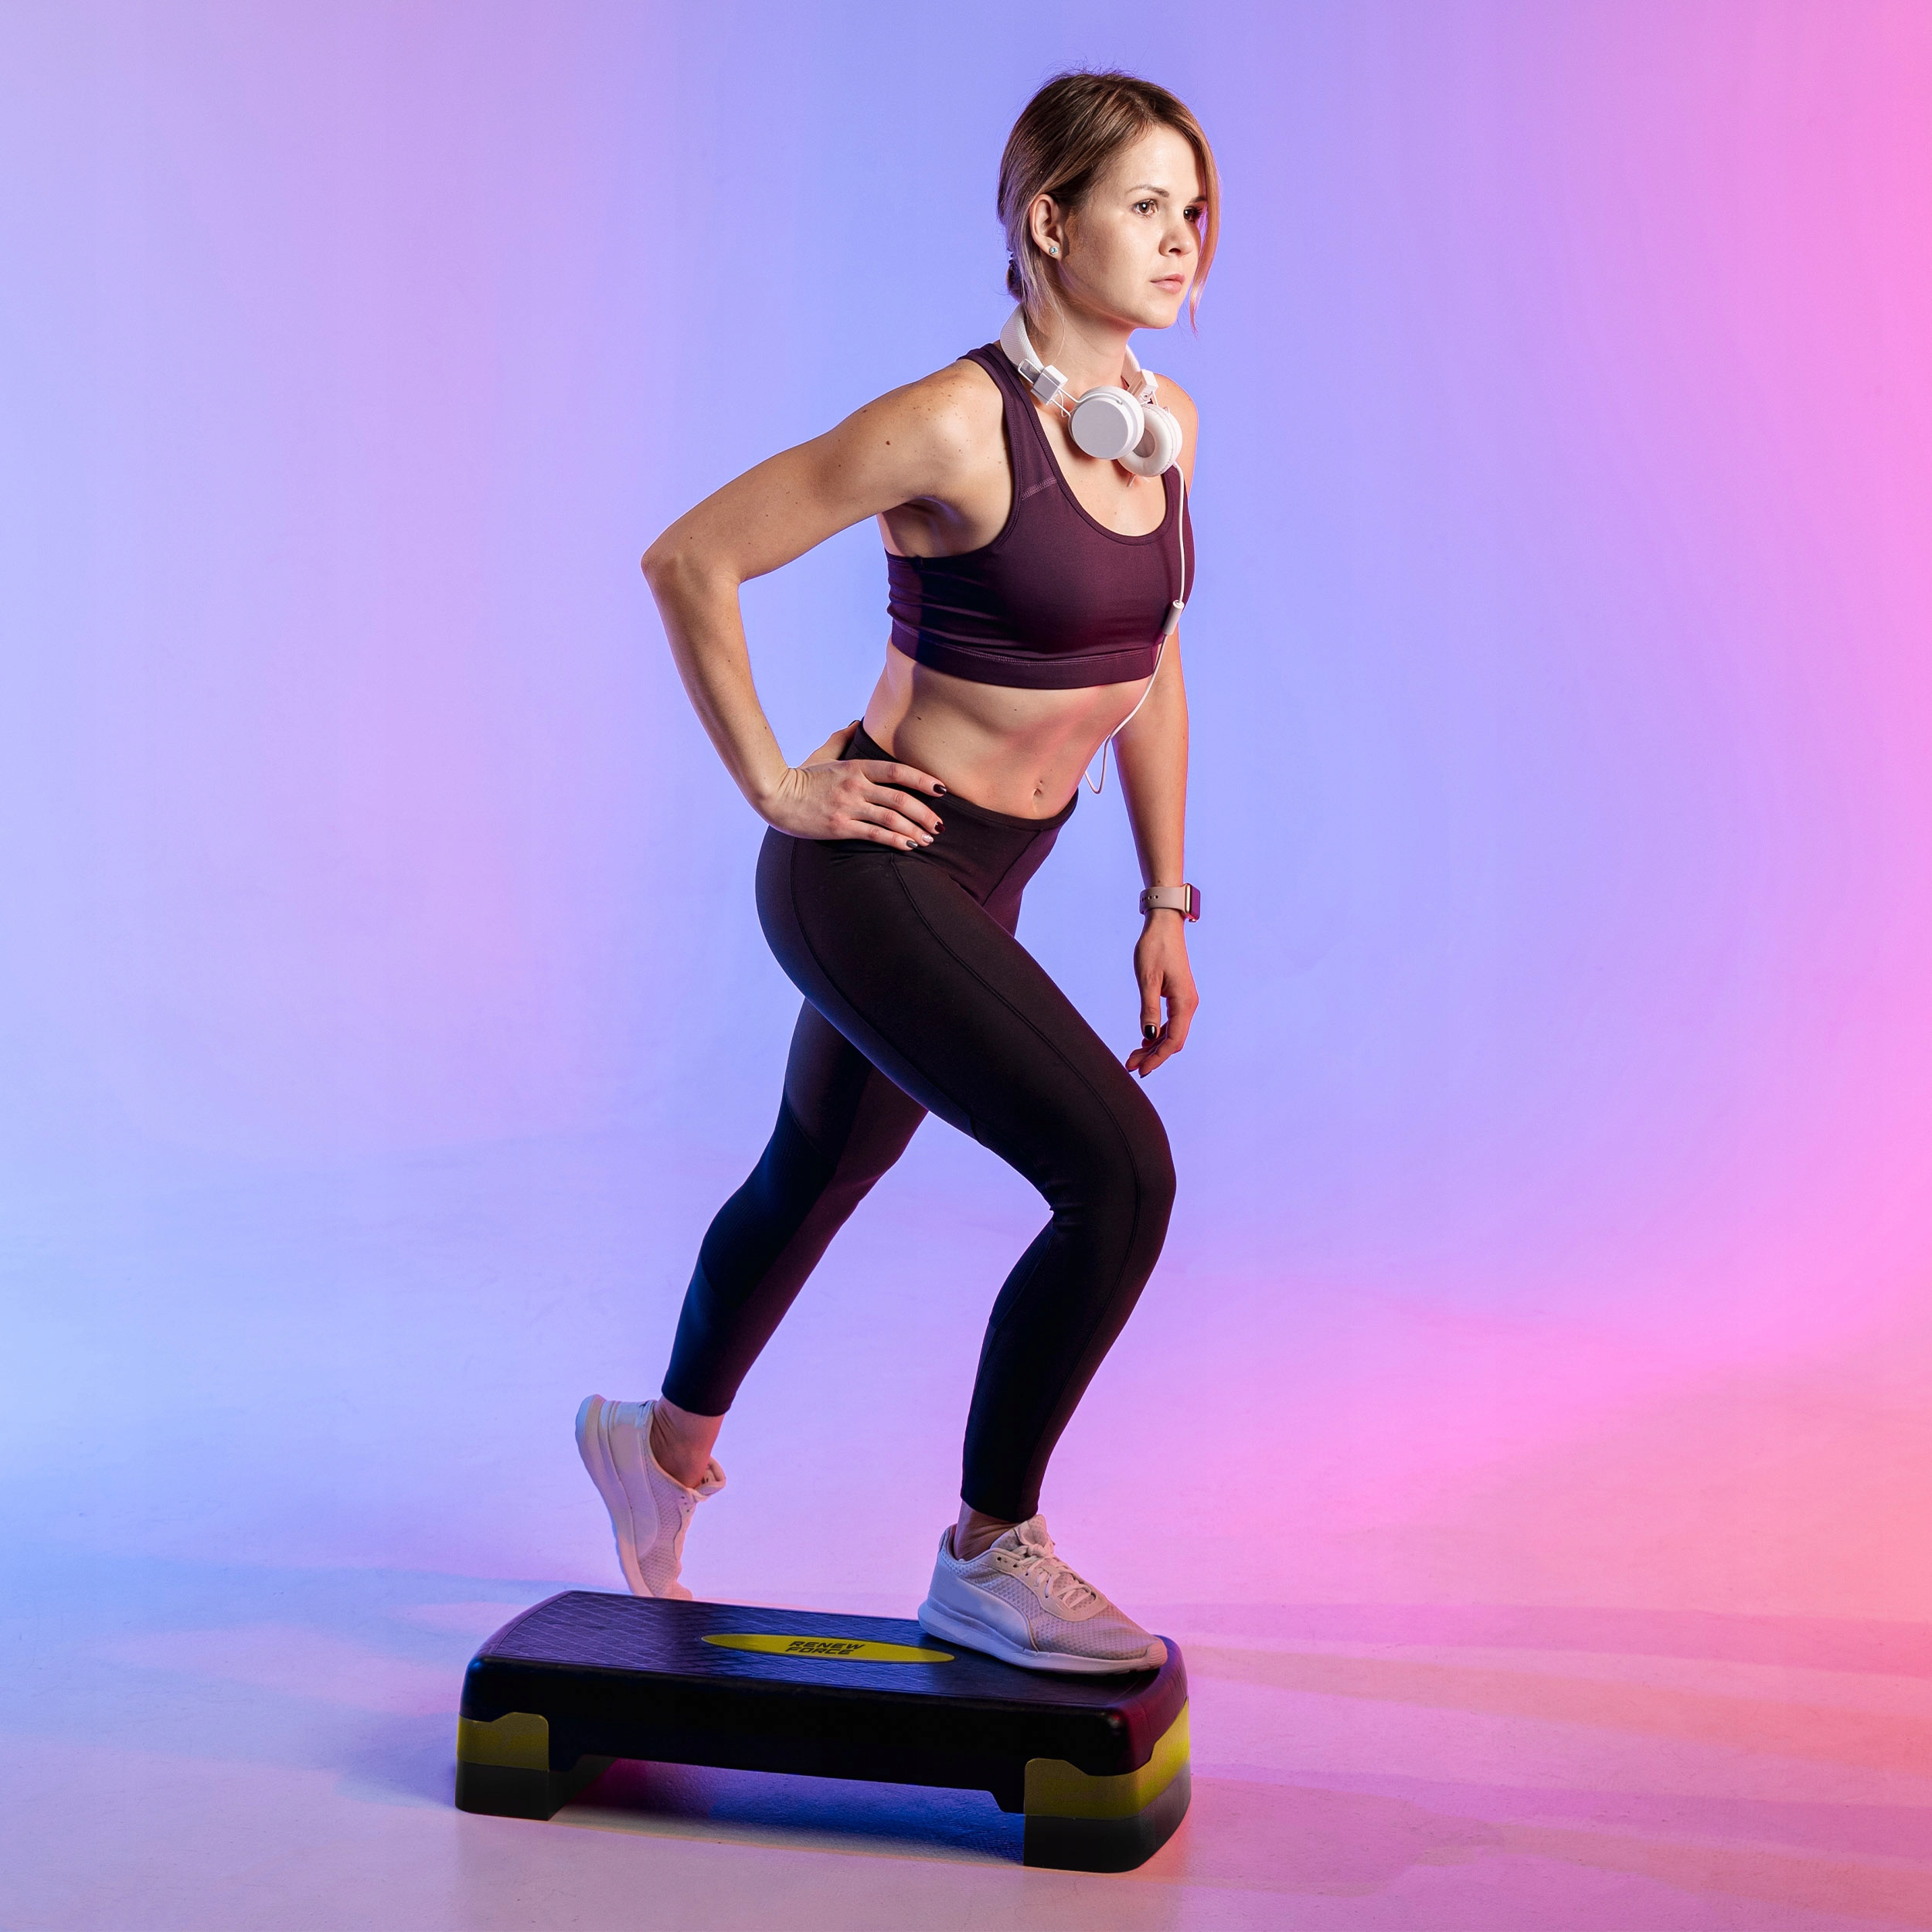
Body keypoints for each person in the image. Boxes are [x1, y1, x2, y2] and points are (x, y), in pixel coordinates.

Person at [577, 70, 1216, 1675]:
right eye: (1145, 205)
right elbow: (691, 557)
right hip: (871, 870)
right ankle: (989, 1551)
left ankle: (653, 1446)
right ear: (1048, 220)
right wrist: (775, 782)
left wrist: (1163, 897)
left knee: (811, 1174)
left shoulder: (1163, 430)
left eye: (1193, 210)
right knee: (1119, 1175)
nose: (1181, 238)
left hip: (989, 875)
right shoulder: (950, 422)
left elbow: (1148, 663)